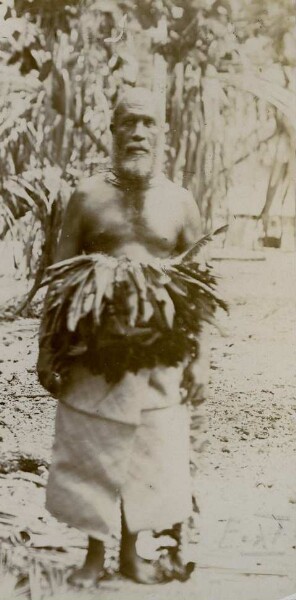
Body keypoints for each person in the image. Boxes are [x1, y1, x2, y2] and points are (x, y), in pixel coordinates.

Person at [37, 86, 210, 587]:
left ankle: (132, 554)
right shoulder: (86, 198)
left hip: (159, 350)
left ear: (163, 133)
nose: (138, 132)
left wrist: (202, 360)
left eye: (148, 123)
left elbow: (198, 289)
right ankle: (94, 554)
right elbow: (58, 276)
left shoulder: (181, 202)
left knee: (149, 449)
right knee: (93, 446)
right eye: (128, 122)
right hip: (93, 347)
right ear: (112, 131)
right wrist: (47, 348)